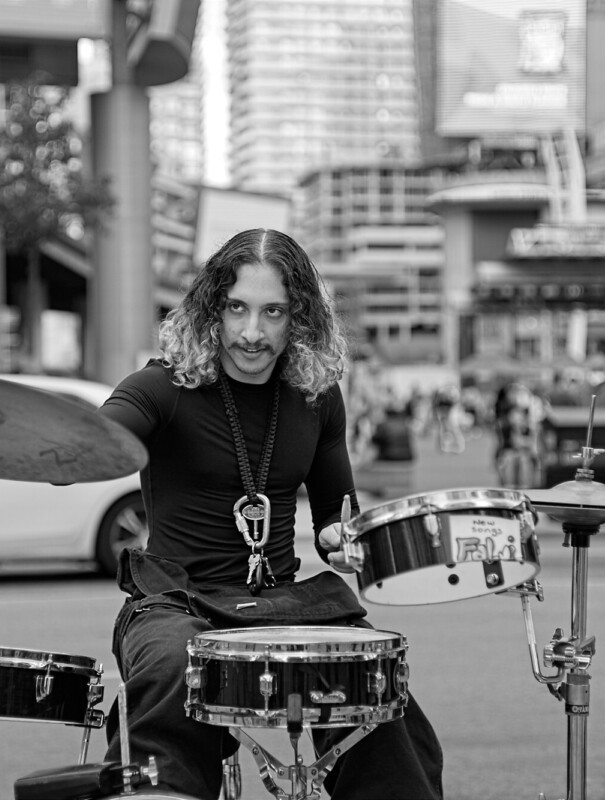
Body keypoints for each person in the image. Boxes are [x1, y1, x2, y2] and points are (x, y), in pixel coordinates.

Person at [97, 228, 444, 799]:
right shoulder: (162, 385)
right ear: (213, 308)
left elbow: (334, 515)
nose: (252, 333)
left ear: (298, 317)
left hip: (283, 602)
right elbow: (101, 434)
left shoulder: (316, 395)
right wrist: (73, 443)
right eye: (236, 308)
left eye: (273, 312)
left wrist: (341, 538)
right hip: (176, 601)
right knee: (168, 667)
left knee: (380, 690)